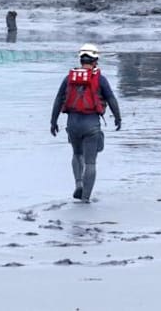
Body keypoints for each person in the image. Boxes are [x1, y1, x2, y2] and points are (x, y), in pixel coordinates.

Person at [50, 43, 122, 203]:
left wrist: (53, 122)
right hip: (91, 125)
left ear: (81, 59)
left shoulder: (69, 78)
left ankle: (78, 183)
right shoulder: (100, 79)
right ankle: (85, 198)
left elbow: (58, 100)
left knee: (76, 154)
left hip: (73, 124)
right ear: (95, 60)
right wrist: (118, 117)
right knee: (90, 162)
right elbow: (111, 98)